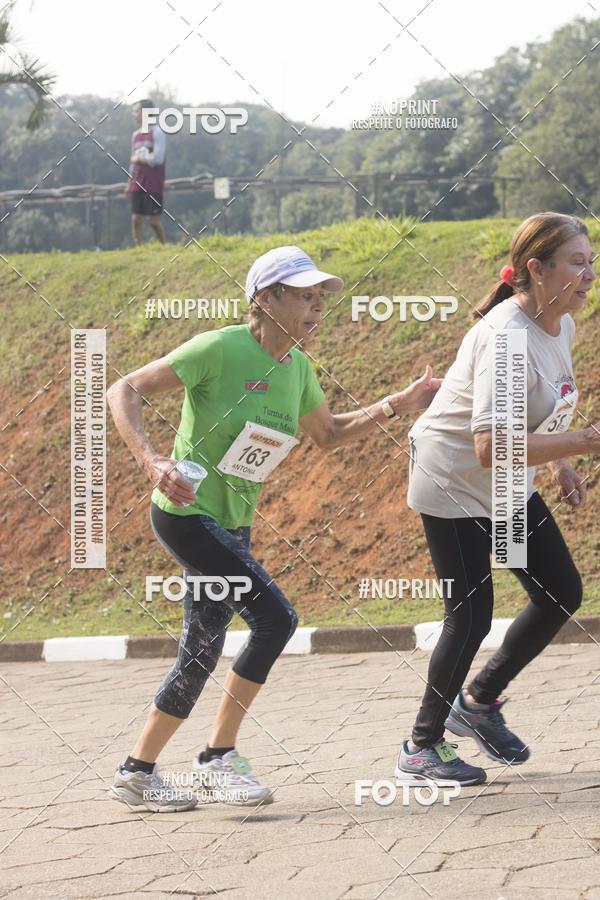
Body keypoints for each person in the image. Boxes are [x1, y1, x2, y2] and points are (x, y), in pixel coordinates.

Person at [108, 245, 442, 811]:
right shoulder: (220, 347)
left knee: (201, 649)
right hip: (187, 515)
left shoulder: (299, 369)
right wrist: (152, 461)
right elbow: (126, 388)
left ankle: (136, 772)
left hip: (232, 524)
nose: (317, 308)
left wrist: (397, 404)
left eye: (320, 298)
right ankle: (217, 757)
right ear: (266, 299)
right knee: (275, 617)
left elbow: (330, 433)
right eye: (305, 296)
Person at [395, 212, 599, 788]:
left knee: (559, 590)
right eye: (577, 263)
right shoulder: (506, 337)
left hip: (508, 482)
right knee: (471, 614)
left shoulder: (560, 326)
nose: (589, 274)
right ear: (535, 269)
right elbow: (489, 446)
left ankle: (478, 701)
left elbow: (540, 408)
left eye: (592, 262)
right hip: (455, 482)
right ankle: (419, 747)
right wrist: (584, 442)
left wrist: (558, 459)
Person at [125, 98, 166, 246]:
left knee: (153, 221)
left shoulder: (158, 133)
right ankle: (139, 249)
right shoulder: (135, 135)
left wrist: (139, 159)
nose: (134, 114)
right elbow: (132, 163)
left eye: (136, 111)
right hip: (138, 182)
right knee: (136, 219)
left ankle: (163, 246)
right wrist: (129, 182)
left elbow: (158, 159)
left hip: (153, 183)